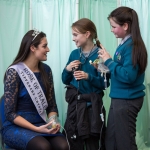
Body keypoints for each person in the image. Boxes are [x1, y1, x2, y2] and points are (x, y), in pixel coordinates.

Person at [1, 29, 69, 150]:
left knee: (63, 145)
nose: (48, 49)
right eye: (45, 46)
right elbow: (10, 114)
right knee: (43, 147)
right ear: (33, 47)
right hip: (15, 126)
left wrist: (53, 123)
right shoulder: (14, 72)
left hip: (41, 123)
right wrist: (36, 129)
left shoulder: (46, 70)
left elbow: (52, 106)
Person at [98, 6, 147, 150]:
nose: (111, 30)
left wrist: (108, 61)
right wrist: (103, 67)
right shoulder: (124, 44)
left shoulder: (132, 46)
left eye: (113, 26)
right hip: (119, 98)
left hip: (127, 100)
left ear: (125, 26)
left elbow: (128, 76)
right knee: (111, 140)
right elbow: (120, 69)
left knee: (125, 142)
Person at [61, 18, 109, 150]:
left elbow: (105, 85)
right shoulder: (74, 54)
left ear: (87, 34)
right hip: (75, 107)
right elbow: (65, 80)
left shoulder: (101, 55)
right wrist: (67, 69)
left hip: (93, 107)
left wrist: (89, 77)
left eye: (75, 35)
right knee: (73, 142)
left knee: (94, 143)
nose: (73, 38)